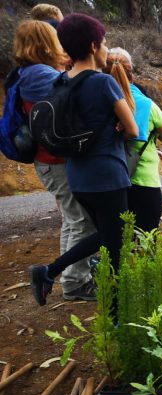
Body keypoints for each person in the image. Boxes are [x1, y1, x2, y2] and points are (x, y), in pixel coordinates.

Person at [28, 13, 139, 307]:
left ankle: (49, 271)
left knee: (107, 234)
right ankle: (116, 315)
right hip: (107, 176)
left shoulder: (61, 81)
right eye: (103, 43)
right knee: (115, 246)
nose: (105, 50)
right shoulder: (103, 83)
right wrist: (117, 127)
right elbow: (133, 129)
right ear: (92, 46)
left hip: (77, 176)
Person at [14, 20, 96, 302]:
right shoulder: (38, 75)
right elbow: (71, 89)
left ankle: (69, 276)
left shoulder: (31, 72)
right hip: (53, 160)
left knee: (74, 220)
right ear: (45, 43)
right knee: (82, 221)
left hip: (52, 159)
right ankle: (75, 283)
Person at [104, 47, 162, 232]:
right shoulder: (145, 104)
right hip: (142, 178)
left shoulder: (98, 99)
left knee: (116, 236)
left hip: (108, 179)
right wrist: (153, 137)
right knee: (147, 235)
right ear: (131, 73)